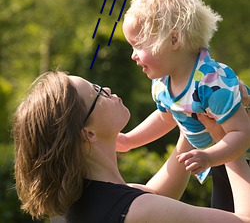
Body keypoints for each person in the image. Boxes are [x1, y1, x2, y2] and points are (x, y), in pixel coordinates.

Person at [13, 71, 250, 223]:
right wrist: (226, 138)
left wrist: (190, 110)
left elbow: (157, 194)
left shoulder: (72, 207)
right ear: (88, 133)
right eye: (97, 93)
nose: (106, 89)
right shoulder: (138, 211)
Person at [119, 0, 250, 211]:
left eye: (138, 45)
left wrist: (209, 157)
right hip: (220, 161)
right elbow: (166, 118)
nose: (133, 56)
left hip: (239, 158)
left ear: (173, 40)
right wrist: (130, 140)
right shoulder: (162, 83)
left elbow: (242, 133)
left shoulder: (211, 82)